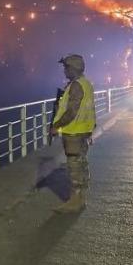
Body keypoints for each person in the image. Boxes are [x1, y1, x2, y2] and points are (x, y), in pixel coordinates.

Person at [50, 54, 96, 213]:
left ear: (73, 68)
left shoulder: (76, 85)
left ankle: (75, 202)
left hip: (74, 132)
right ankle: (80, 198)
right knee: (81, 163)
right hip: (83, 130)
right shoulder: (86, 83)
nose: (64, 71)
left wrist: (56, 125)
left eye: (66, 68)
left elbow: (71, 111)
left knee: (74, 166)